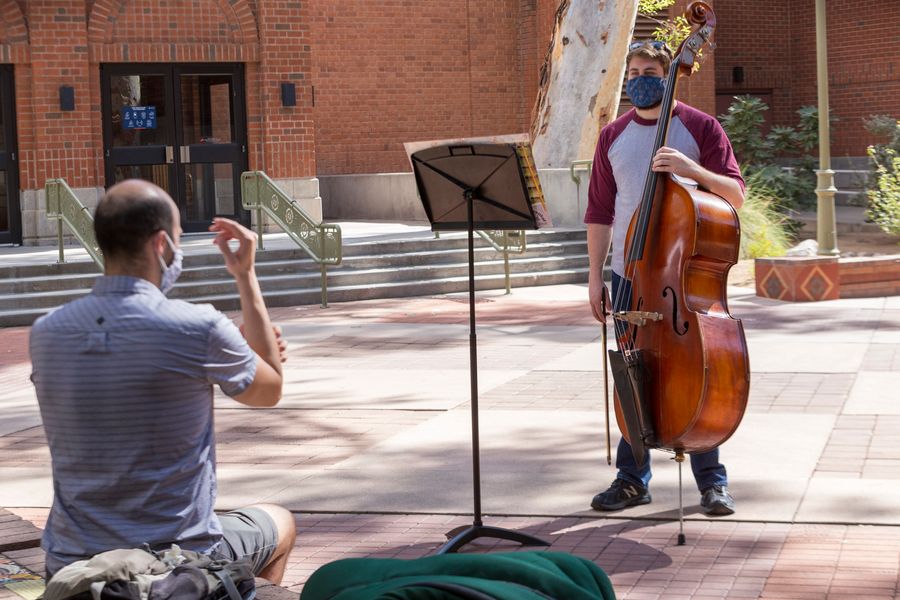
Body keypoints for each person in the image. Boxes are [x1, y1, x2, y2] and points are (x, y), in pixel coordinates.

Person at [30, 180, 297, 582]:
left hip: (72, 560)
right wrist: (245, 275)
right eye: (177, 238)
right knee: (280, 522)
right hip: (176, 560)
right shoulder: (197, 327)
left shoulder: (47, 332)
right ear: (160, 244)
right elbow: (270, 389)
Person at [584, 41, 745, 516]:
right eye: (632, 71)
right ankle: (631, 479)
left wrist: (691, 169)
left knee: (698, 370)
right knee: (634, 374)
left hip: (683, 277)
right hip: (629, 272)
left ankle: (712, 483)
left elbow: (736, 192)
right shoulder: (613, 134)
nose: (639, 78)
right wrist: (594, 276)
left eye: (649, 70)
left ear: (669, 73)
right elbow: (599, 211)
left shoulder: (700, 127)